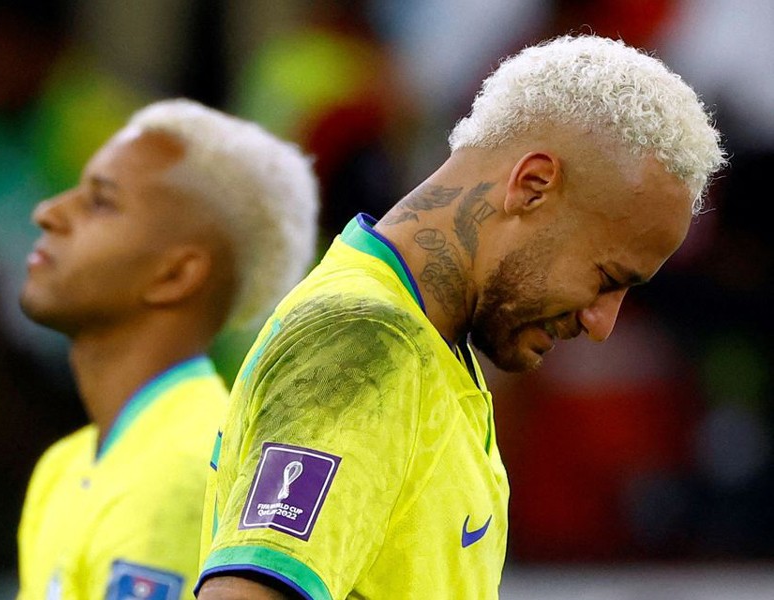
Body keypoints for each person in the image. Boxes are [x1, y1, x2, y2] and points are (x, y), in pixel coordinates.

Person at [195, 35, 726, 600]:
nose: (603, 323)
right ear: (533, 186)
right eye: (607, 278)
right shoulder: (366, 340)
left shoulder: (430, 348)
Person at [15, 98, 319, 599]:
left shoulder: (187, 473)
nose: (48, 212)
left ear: (176, 274)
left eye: (100, 201)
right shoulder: (63, 466)